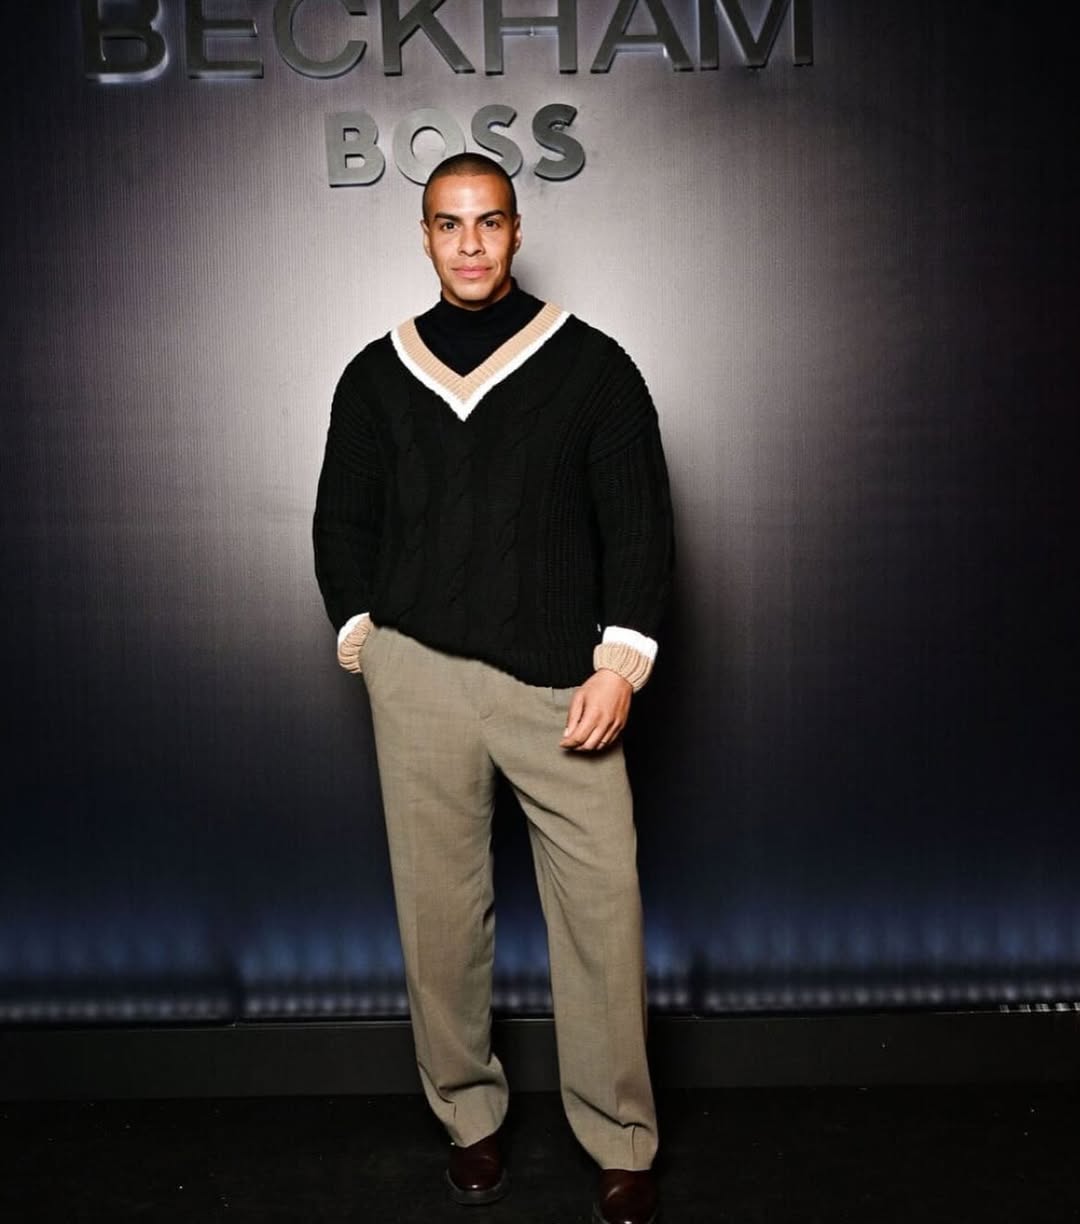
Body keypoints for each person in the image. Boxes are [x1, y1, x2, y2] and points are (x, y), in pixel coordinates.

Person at [313, 151, 674, 1224]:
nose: (469, 243)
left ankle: (620, 1136)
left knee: (601, 911)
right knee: (440, 915)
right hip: (419, 677)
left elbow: (639, 525)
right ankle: (468, 1119)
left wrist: (621, 663)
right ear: (424, 236)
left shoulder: (594, 367)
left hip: (564, 685)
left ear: (517, 231)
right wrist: (367, 640)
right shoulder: (376, 375)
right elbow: (342, 522)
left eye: (489, 221)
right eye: (448, 223)